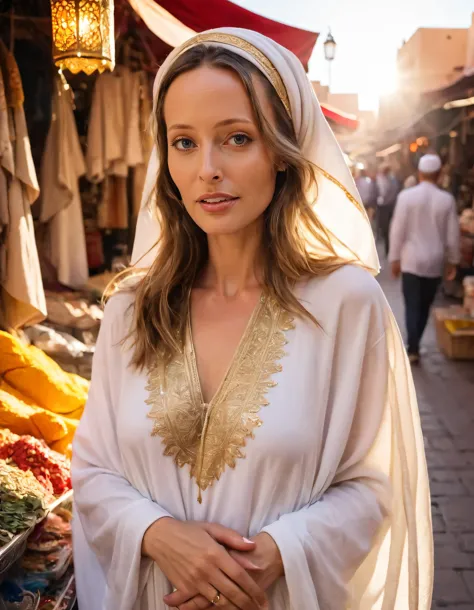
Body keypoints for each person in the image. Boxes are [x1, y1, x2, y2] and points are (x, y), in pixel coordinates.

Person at [71, 28, 433, 610]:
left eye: (237, 138)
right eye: (184, 143)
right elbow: (92, 469)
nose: (207, 168)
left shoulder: (347, 304)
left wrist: (273, 555)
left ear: (284, 154)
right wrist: (158, 536)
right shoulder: (131, 308)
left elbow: (376, 483)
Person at [389, 153, 460, 364]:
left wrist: (394, 259)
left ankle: (413, 347)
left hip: (410, 260)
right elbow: (453, 235)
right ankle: (415, 343)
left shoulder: (406, 197)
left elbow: (397, 230)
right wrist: (453, 261)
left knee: (412, 304)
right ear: (438, 174)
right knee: (425, 305)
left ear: (419, 173)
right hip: (434, 261)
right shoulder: (447, 200)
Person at [376, 164, 401, 256]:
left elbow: (384, 193)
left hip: (385, 207)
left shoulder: (386, 180)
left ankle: (388, 249)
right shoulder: (392, 180)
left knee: (385, 229)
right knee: (387, 229)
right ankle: (388, 248)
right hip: (390, 206)